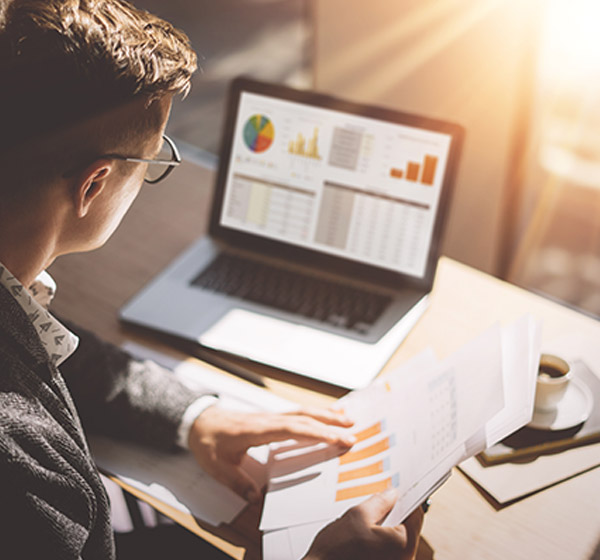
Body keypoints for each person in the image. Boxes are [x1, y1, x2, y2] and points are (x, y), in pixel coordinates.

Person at [0, 1, 424, 558]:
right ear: (93, 186)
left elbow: (33, 349)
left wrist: (194, 415)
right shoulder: (26, 475)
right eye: (153, 162)